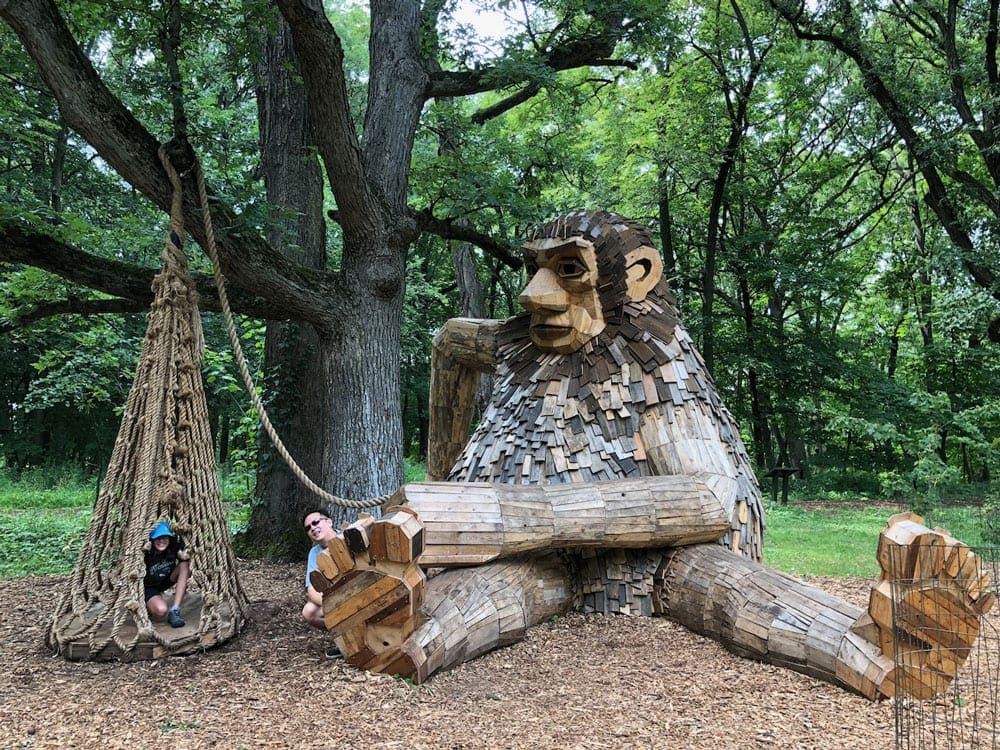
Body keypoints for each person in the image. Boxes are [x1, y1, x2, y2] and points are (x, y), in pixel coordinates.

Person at [302, 508, 342, 658]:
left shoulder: (348, 536)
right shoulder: (314, 553)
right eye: (308, 528)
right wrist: (333, 605)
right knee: (309, 611)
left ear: (329, 522)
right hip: (335, 598)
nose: (313, 528)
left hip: (363, 590)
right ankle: (344, 641)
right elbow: (311, 589)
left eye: (315, 522)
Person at [144, 520, 190, 628]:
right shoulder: (146, 552)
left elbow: (188, 550)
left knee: (184, 565)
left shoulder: (173, 548)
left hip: (165, 580)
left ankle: (175, 610)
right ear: (152, 539)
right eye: (158, 538)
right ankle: (148, 603)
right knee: (161, 610)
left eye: (165, 537)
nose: (161, 541)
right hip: (148, 587)